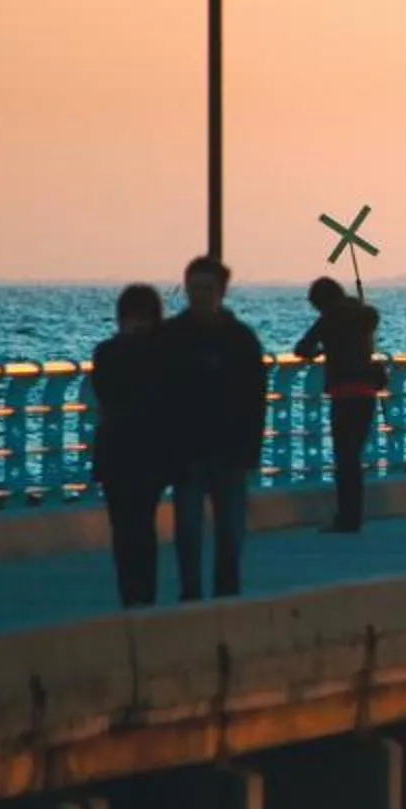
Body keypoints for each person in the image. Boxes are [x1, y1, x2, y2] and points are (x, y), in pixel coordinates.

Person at [159, 255, 266, 600]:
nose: (199, 295)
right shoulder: (171, 337)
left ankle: (226, 593)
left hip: (230, 451)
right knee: (188, 531)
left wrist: (250, 449)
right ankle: (191, 592)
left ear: (221, 291)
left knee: (231, 533)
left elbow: (255, 399)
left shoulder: (240, 340)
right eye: (193, 288)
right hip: (187, 451)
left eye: (207, 289)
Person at [89, 283, 172, 607]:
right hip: (136, 454)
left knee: (131, 527)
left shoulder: (109, 351)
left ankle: (136, 595)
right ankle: (138, 594)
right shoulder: (153, 353)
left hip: (124, 453)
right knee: (132, 527)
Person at [294, 275, 384, 533]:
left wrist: (319, 352)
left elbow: (302, 347)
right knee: (354, 456)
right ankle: (353, 515)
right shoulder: (364, 317)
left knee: (345, 458)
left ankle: (346, 517)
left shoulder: (329, 319)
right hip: (367, 392)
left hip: (343, 393)